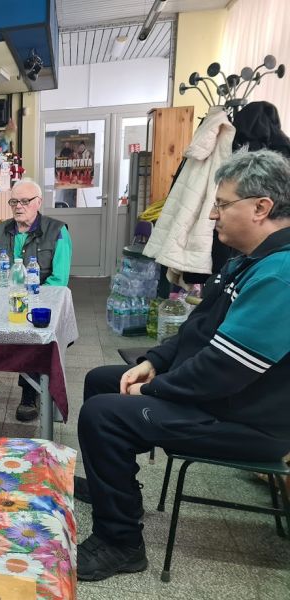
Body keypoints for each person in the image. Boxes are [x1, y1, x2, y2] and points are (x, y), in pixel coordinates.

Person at [75, 149, 290, 581]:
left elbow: (222, 369)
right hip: (221, 398)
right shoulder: (248, 260)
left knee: (103, 415)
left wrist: (153, 389)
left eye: (222, 204)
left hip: (248, 421)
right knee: (103, 380)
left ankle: (121, 544)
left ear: (261, 207)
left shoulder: (279, 274)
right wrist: (153, 363)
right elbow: (197, 330)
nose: (212, 214)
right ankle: (112, 488)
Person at [0, 178, 73, 423]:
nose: (18, 206)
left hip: (39, 302)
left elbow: (59, 281)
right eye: (14, 201)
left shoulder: (57, 232)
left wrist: (28, 302)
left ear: (39, 202)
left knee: (32, 335)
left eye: (25, 201)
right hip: (1, 298)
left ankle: (29, 392)